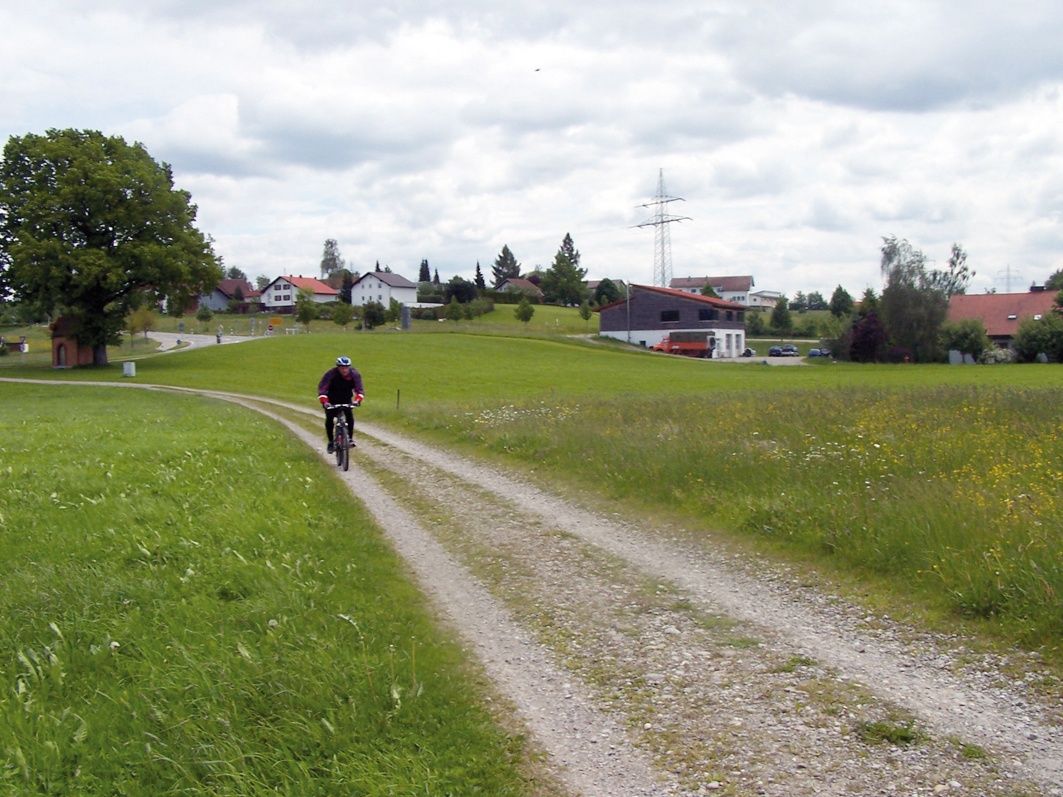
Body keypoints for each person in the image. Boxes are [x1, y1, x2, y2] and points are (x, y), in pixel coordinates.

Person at [317, 355, 365, 453]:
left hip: (346, 399)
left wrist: (357, 401)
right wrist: (325, 402)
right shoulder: (330, 374)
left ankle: (350, 439)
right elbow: (322, 389)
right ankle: (331, 442)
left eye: (346, 367)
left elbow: (359, 390)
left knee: (350, 417)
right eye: (342, 367)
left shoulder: (354, 374)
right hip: (331, 400)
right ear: (338, 367)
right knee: (329, 419)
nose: (344, 370)